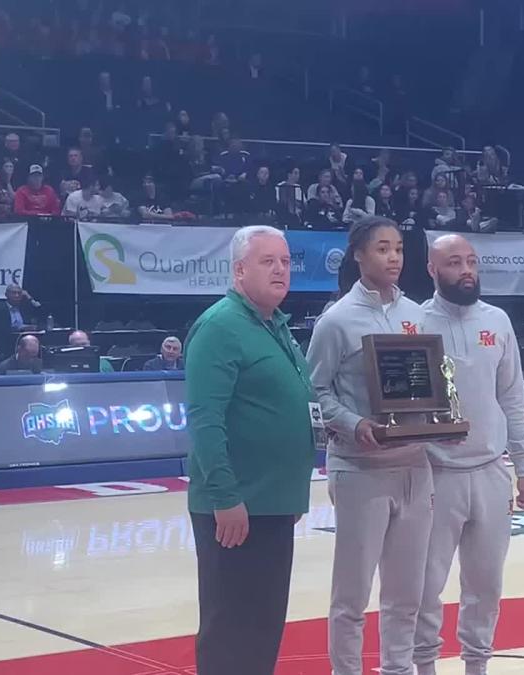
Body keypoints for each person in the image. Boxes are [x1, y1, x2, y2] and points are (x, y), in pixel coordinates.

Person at [184, 225, 318, 675]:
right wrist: (225, 496)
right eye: (268, 261)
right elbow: (206, 419)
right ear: (239, 271)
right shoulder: (221, 326)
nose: (281, 269)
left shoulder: (274, 325)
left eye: (285, 261)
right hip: (237, 508)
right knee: (231, 630)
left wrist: (291, 490)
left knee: (262, 627)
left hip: (274, 504)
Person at [306, 216, 431, 675]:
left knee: (406, 593)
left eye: (398, 248)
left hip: (416, 465)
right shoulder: (336, 320)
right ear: (358, 255)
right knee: (352, 596)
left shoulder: (418, 315)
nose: (393, 257)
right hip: (360, 467)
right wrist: (355, 422)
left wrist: (443, 419)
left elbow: (437, 382)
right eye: (382, 248)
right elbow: (313, 391)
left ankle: (399, 669)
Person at [415, 234, 524, 675]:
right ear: (432, 269)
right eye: (454, 263)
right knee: (426, 585)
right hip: (434, 474)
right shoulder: (413, 322)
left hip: (490, 470)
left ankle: (477, 665)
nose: (466, 270)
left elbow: (513, 397)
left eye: (471, 261)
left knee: (486, 583)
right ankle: (424, 665)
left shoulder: (499, 321)